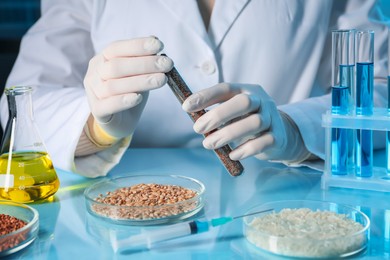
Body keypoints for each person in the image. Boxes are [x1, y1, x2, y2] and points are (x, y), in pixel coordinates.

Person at [0, 0, 388, 178]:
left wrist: (297, 129)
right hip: (125, 209)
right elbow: (21, 100)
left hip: (287, 198)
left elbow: (381, 85)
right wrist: (96, 130)